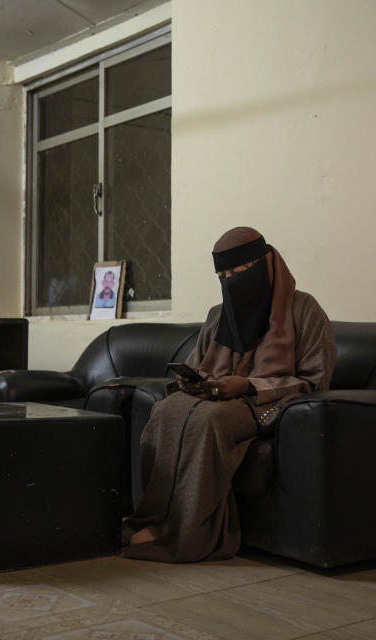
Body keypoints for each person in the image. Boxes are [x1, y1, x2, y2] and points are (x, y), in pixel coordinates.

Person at [122, 226, 336, 563]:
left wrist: (249, 385)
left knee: (209, 418)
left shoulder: (304, 310)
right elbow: (199, 363)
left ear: (265, 264)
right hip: (217, 397)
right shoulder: (219, 315)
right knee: (166, 410)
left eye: (238, 272)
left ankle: (187, 532)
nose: (229, 281)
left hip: (266, 403)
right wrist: (197, 383)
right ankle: (153, 520)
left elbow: (315, 380)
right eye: (222, 274)